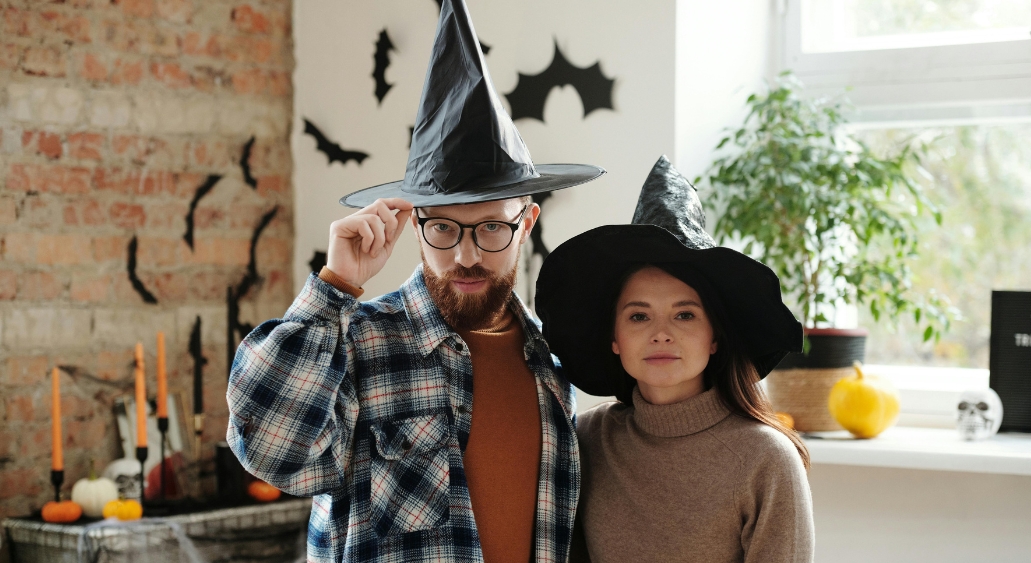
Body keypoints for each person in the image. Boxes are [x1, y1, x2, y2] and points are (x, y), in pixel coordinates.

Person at [226, 1, 605, 562]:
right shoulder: (356, 342)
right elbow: (269, 449)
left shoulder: (553, 361)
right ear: (414, 222)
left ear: (526, 223)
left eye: (492, 228)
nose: (467, 255)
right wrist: (334, 286)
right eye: (444, 228)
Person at [535, 156, 815, 563]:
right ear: (614, 338)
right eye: (639, 315)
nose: (661, 332)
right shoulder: (586, 440)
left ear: (715, 336)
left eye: (685, 314)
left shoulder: (767, 461)